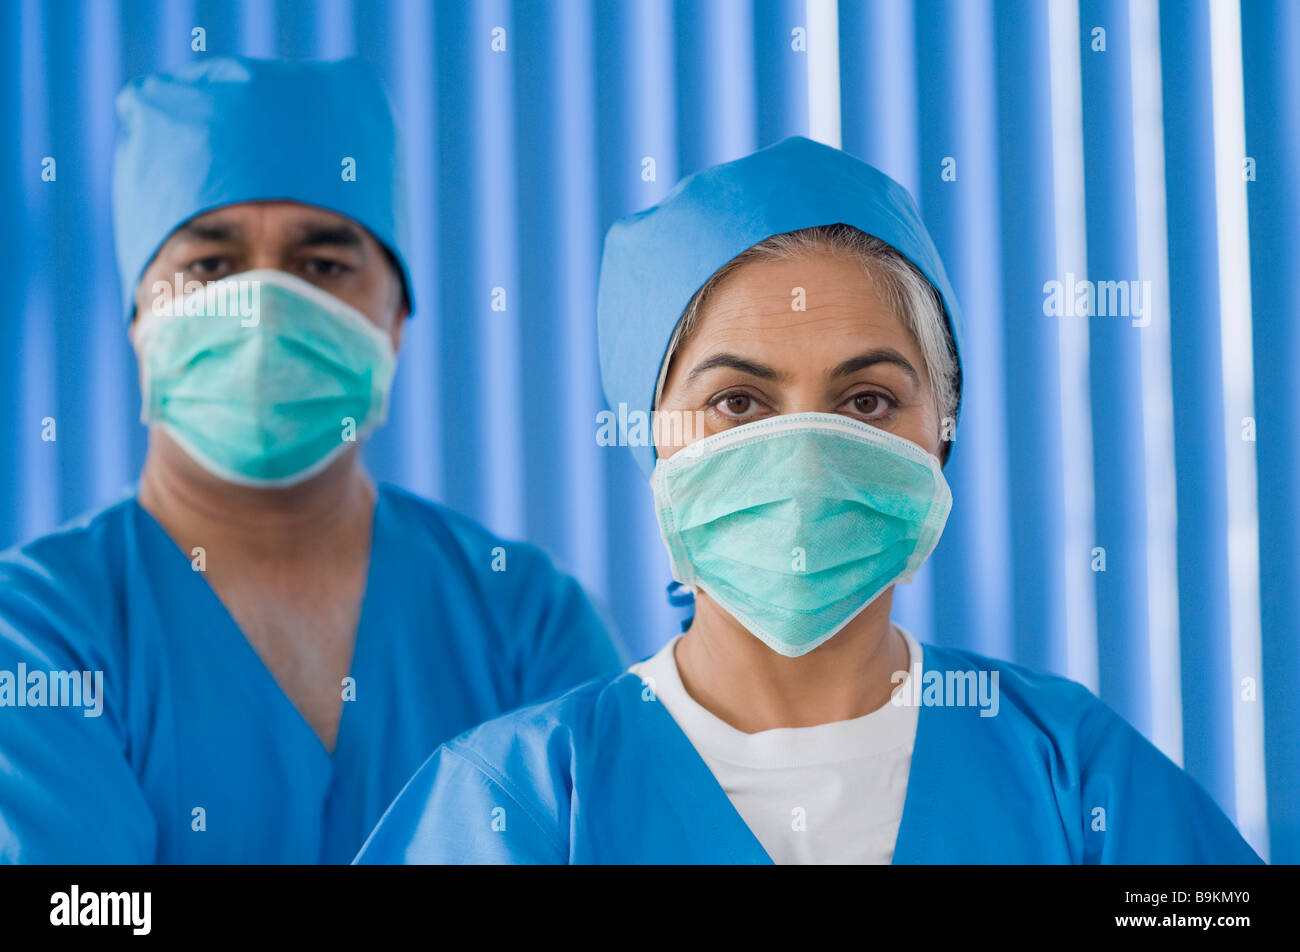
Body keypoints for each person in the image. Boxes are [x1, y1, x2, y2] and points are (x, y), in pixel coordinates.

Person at [354, 136, 1262, 864]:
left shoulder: (1078, 778)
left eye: (866, 400)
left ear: (939, 434)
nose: (805, 450)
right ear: (652, 441)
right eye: (738, 403)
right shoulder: (519, 805)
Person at [0, 55, 624, 864]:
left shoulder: (527, 620)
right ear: (138, 316)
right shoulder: (39, 630)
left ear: (395, 317)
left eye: (322, 264)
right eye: (209, 265)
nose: (265, 306)